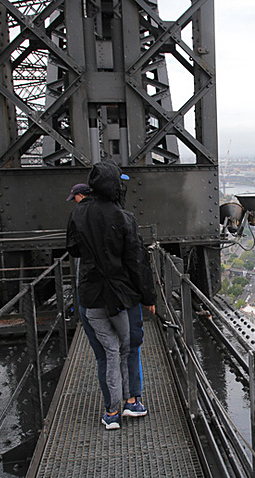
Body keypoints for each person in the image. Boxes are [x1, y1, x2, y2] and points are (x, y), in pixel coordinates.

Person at [66, 162, 156, 430]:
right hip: (121, 297)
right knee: (129, 349)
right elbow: (137, 262)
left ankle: (111, 413)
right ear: (115, 185)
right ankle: (132, 402)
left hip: (91, 296)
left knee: (106, 355)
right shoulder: (124, 218)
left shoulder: (78, 214)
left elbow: (72, 248)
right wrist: (148, 297)